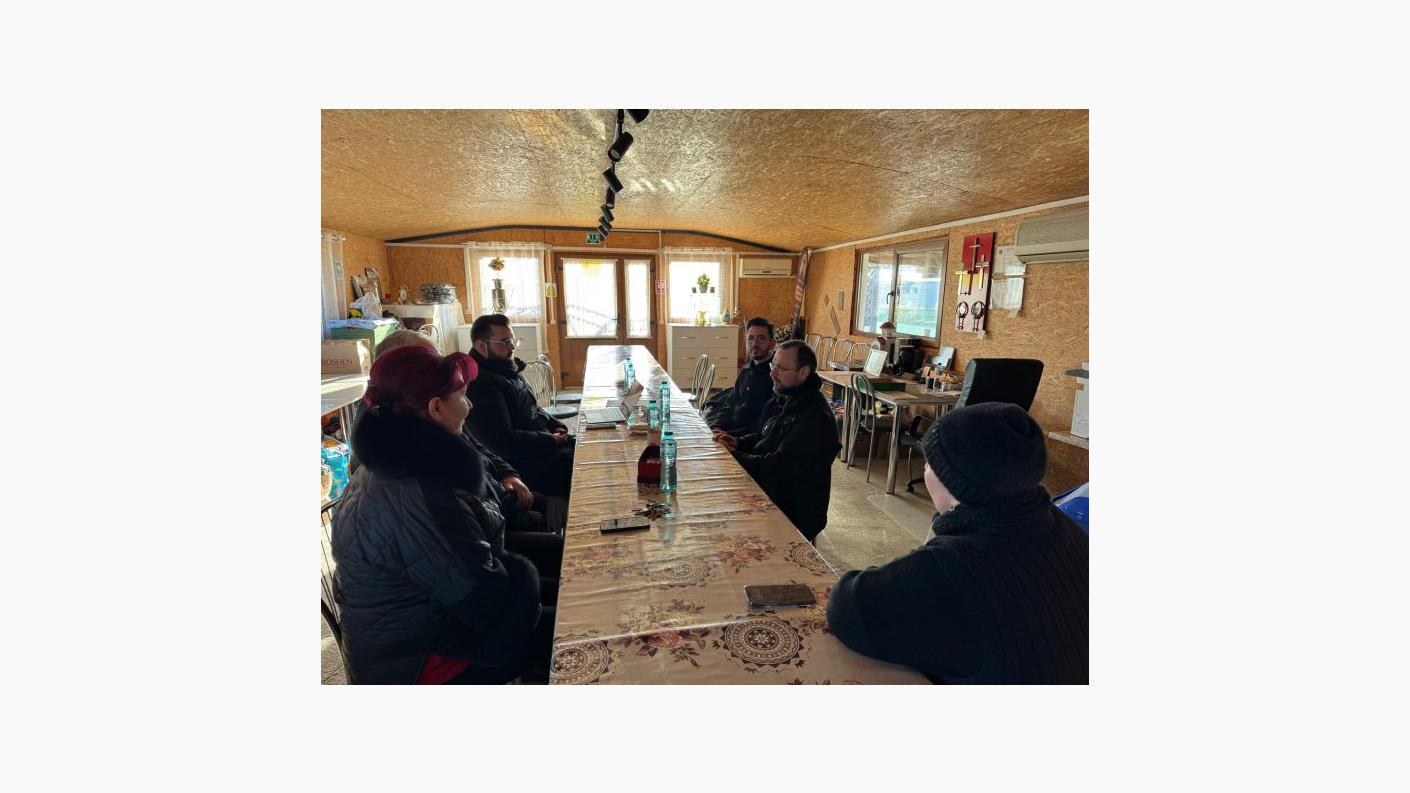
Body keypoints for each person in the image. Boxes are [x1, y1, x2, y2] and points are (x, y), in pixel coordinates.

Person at [332, 344, 555, 684]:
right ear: (436, 408)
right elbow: (486, 606)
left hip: (425, 621)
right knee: (574, 626)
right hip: (415, 663)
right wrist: (524, 577)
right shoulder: (420, 493)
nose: (470, 405)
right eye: (463, 396)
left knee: (565, 583)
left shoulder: (394, 457)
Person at [826, 402, 1089, 684]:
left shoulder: (955, 565)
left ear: (955, 483)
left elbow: (849, 606)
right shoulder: (1067, 529)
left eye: (931, 463)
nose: (925, 468)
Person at [350, 330, 564, 535]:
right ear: (398, 370)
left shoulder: (427, 413)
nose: (441, 368)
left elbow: (477, 447)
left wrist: (509, 474)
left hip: (495, 502)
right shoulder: (390, 444)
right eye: (429, 361)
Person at [713, 340, 840, 543]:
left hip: (793, 509)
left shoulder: (815, 417)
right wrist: (737, 442)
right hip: (771, 487)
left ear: (803, 372)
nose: (772, 373)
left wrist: (733, 456)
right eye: (773, 365)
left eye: (781, 368)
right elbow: (764, 433)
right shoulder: (785, 395)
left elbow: (777, 466)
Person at [463, 314, 574, 498]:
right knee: (581, 467)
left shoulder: (505, 367)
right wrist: (551, 440)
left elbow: (533, 408)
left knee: (588, 447)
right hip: (527, 465)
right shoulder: (480, 384)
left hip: (543, 447)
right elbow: (503, 443)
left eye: (513, 340)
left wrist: (555, 425)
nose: (512, 347)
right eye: (505, 342)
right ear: (481, 346)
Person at [704, 317, 776, 436]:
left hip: (747, 439)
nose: (755, 343)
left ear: (772, 343)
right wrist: (716, 426)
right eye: (750, 338)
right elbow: (730, 404)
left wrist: (730, 435)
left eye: (761, 338)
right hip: (728, 433)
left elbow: (765, 423)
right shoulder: (746, 370)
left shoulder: (776, 376)